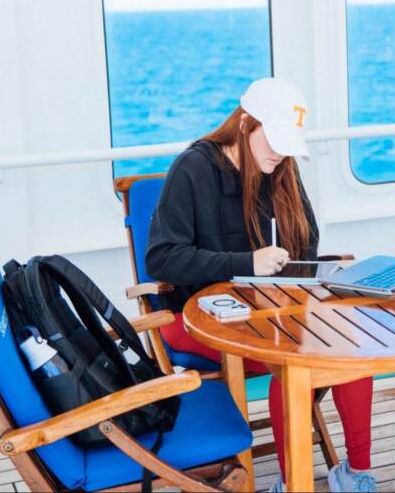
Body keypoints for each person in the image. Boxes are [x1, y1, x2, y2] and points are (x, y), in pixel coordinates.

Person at [146, 77, 377, 493]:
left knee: (350, 346)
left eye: (287, 142)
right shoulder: (192, 169)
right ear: (245, 123)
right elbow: (163, 258)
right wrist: (246, 262)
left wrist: (315, 269)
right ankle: (294, 483)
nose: (279, 152)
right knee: (294, 364)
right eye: (272, 139)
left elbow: (306, 240)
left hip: (274, 310)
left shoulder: (280, 165)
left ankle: (357, 471)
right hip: (200, 317)